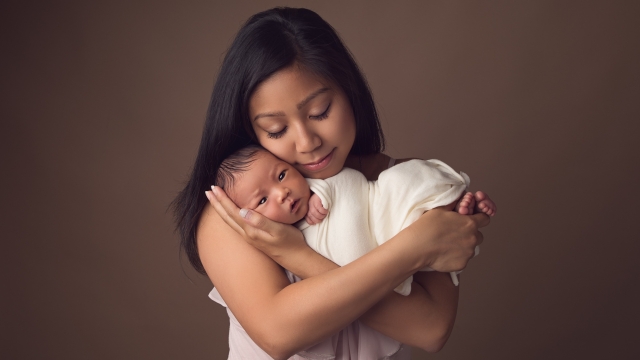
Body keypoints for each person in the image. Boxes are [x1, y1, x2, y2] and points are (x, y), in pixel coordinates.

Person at [172, 7, 490, 359]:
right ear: (251, 131)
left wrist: (298, 256)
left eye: (320, 111)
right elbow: (278, 332)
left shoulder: (406, 185)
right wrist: (416, 246)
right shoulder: (238, 206)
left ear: (348, 90)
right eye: (276, 130)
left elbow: (430, 328)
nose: (307, 143)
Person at [213, 144, 496, 293]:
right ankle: (456, 212)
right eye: (263, 200)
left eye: (282, 175)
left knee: (402, 186)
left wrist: (319, 195)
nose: (283, 192)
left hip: (379, 210)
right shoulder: (272, 245)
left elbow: (338, 183)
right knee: (422, 246)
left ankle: (452, 201)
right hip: (385, 250)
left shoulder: (318, 183)